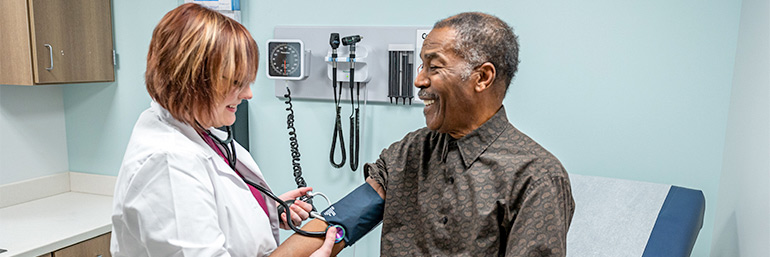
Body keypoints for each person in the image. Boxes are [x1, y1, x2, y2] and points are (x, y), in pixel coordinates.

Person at [274, 12, 576, 256]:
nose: (419, 80)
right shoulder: (411, 152)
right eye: (421, 65)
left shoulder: (536, 178)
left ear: (482, 77)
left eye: (434, 66)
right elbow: (340, 222)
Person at [110, 3, 336, 257]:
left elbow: (212, 207)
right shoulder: (168, 163)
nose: (248, 94)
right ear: (193, 78)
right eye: (237, 83)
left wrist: (265, 208)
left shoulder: (197, 130)